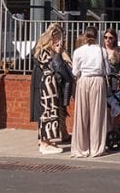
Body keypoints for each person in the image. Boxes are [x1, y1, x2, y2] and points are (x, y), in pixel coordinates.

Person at [31, 24, 73, 154]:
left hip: (50, 84)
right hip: (48, 85)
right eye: (58, 38)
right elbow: (53, 66)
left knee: (50, 112)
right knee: (47, 112)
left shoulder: (47, 51)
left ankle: (48, 141)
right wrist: (59, 54)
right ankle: (44, 143)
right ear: (51, 38)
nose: (60, 42)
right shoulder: (45, 52)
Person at [71, 25, 110, 157]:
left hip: (83, 80)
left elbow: (75, 72)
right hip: (98, 81)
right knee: (97, 115)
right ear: (97, 36)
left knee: (82, 115)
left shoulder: (78, 51)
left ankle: (81, 149)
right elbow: (107, 71)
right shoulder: (102, 50)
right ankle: (96, 148)